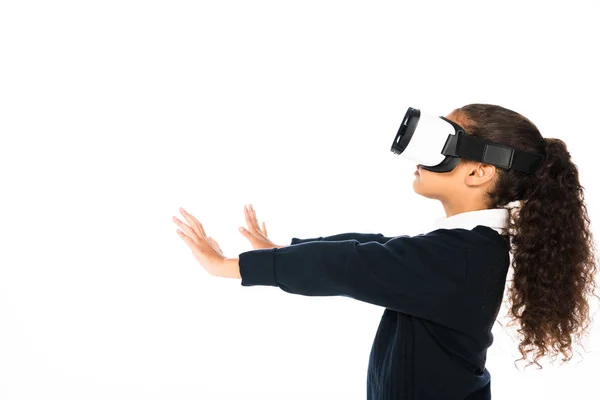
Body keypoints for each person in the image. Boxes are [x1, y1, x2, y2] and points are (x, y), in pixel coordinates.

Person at [172, 103, 598, 399]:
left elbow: (351, 265)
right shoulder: (467, 248)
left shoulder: (461, 257)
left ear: (479, 172)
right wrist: (282, 250)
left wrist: (230, 266)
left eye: (444, 143)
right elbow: (376, 249)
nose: (421, 156)